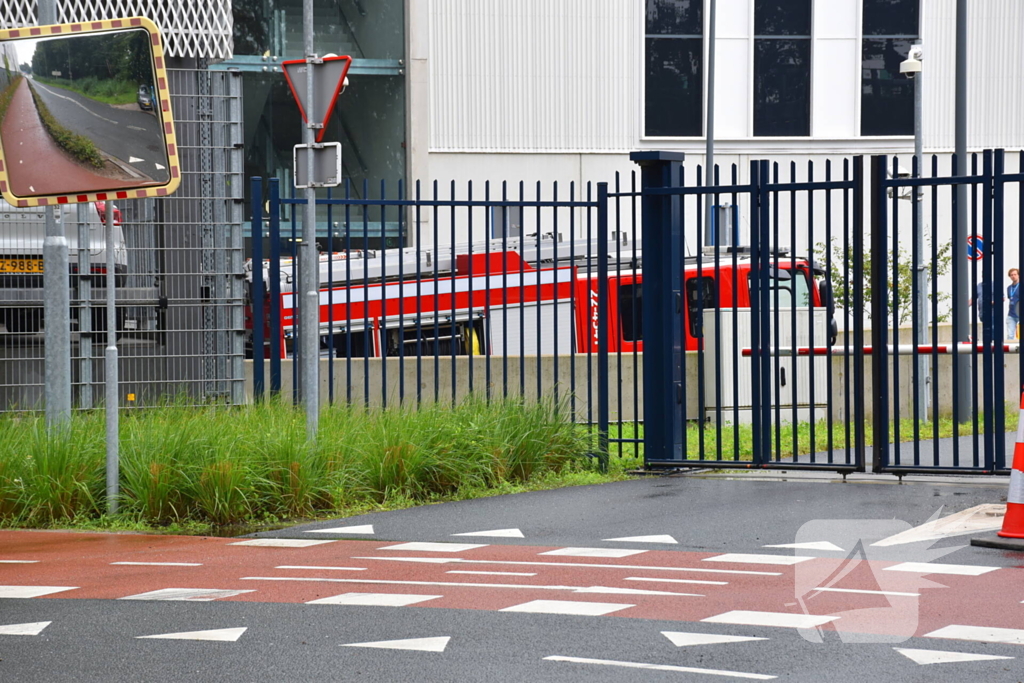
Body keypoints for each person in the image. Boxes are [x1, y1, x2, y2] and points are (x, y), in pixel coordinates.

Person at [1008, 267, 1021, 340]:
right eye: (1011, 275)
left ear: (1018, 275)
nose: (1013, 276)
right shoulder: (1009, 288)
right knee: (1010, 335)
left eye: (1015, 274)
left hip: (1020, 313)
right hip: (1011, 314)